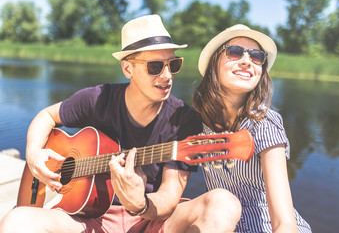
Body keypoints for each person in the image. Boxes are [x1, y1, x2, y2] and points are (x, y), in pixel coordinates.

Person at [0, 15, 241, 233]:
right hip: (89, 219)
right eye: (155, 67)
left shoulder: (182, 119)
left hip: (150, 219)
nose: (167, 75)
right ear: (128, 68)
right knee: (16, 221)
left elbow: (168, 197)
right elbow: (46, 116)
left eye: (173, 64)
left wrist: (140, 205)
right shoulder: (98, 99)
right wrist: (32, 154)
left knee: (223, 203)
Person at [192, 24, 312, 232]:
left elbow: (284, 221)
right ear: (214, 64)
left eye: (256, 56)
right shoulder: (198, 123)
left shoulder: (265, 123)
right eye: (235, 52)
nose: (247, 61)